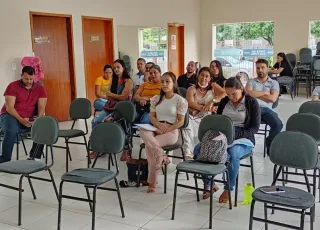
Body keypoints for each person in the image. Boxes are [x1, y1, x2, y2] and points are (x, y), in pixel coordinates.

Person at [195, 77, 260, 201]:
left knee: (232, 153)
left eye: (234, 94)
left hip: (243, 136)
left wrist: (235, 135)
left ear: (241, 89)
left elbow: (255, 128)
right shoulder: (225, 101)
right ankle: (209, 183)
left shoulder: (251, 103)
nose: (231, 97)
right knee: (198, 149)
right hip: (223, 134)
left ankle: (228, 188)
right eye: (228, 94)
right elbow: (218, 121)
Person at [139, 72, 188, 193]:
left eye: (168, 81)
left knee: (150, 147)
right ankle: (162, 155)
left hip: (171, 131)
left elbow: (181, 122)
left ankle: (152, 183)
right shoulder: (156, 98)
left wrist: (167, 128)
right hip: (157, 127)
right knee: (142, 130)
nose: (164, 84)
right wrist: (159, 125)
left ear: (174, 83)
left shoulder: (180, 100)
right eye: (163, 82)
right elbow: (152, 117)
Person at [0, 66, 47, 163]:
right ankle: (4, 159)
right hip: (10, 115)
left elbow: (42, 107)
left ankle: (34, 157)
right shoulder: (12, 86)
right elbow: (9, 108)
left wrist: (37, 119)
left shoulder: (40, 88)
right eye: (26, 79)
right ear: (21, 75)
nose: (29, 81)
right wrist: (21, 120)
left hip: (29, 116)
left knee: (42, 128)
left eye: (31, 79)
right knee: (12, 131)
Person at [182, 67, 223, 159]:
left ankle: (193, 151)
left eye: (206, 76)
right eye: (202, 75)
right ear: (198, 76)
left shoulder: (213, 87)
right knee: (187, 122)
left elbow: (224, 93)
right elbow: (190, 103)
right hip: (193, 114)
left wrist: (212, 101)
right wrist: (207, 108)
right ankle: (188, 152)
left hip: (207, 117)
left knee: (192, 122)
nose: (204, 78)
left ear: (210, 78)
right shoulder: (191, 89)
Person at [246, 59, 283, 155]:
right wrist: (265, 93)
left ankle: (269, 142)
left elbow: (273, 99)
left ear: (267, 69)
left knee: (278, 125)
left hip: (266, 111)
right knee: (245, 124)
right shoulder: (251, 81)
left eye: (263, 67)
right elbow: (249, 93)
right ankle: (249, 146)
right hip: (252, 110)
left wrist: (255, 94)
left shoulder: (274, 83)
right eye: (258, 68)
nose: (260, 70)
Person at [91, 59, 133, 128]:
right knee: (96, 120)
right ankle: (94, 138)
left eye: (118, 67)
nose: (116, 69)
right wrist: (111, 96)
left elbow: (123, 97)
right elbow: (108, 95)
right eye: (114, 68)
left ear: (123, 68)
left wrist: (111, 95)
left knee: (108, 121)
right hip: (111, 106)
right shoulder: (113, 80)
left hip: (122, 108)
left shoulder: (128, 81)